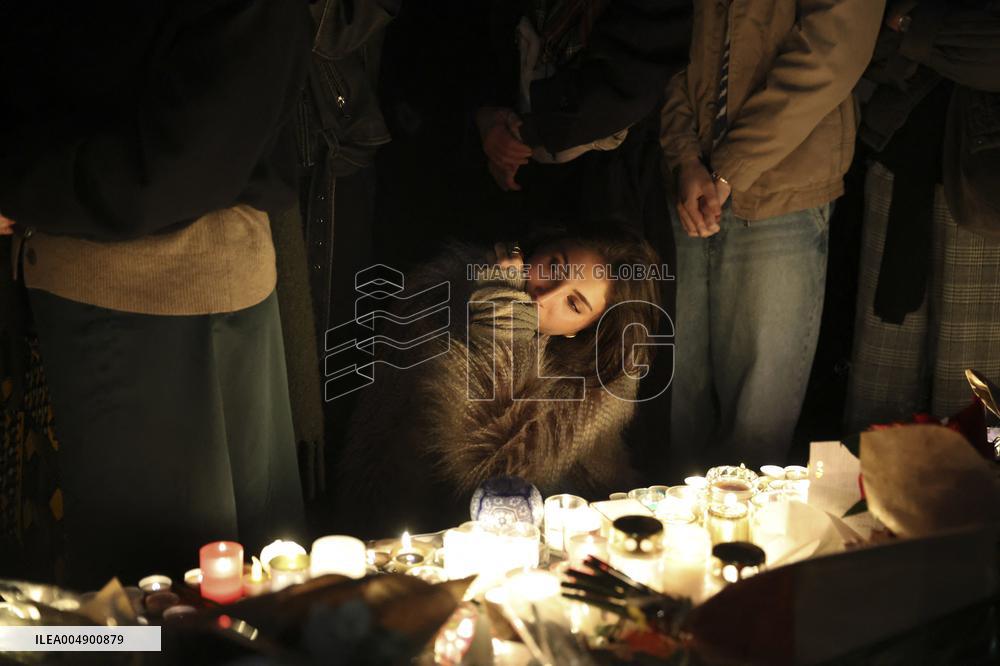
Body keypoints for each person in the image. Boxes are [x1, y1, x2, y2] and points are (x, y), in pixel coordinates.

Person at [0, 0, 312, 588]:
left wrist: (18, 188)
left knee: (162, 582)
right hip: (91, 285)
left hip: (157, 294)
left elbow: (181, 164)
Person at [659, 0, 885, 473]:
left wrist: (722, 167)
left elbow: (834, 48)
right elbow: (667, 40)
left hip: (782, 184)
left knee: (754, 441)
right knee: (676, 415)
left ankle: (743, 547)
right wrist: (684, 158)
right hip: (691, 180)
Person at [333, 231, 665, 537]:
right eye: (553, 267)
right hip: (410, 528)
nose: (545, 296)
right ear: (531, 252)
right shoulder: (442, 297)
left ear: (579, 329)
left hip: (555, 539)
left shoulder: (595, 385)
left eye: (573, 303)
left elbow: (494, 469)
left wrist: (504, 336)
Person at [845, 0, 1000, 430]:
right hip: (895, 164)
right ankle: (876, 495)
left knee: (975, 402)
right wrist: (946, 37)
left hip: (987, 193)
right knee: (880, 398)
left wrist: (911, 30)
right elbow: (863, 44)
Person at [474, 0, 691, 237]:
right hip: (500, 138)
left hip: (592, 164)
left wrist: (521, 132)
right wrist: (485, 113)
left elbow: (632, 83)